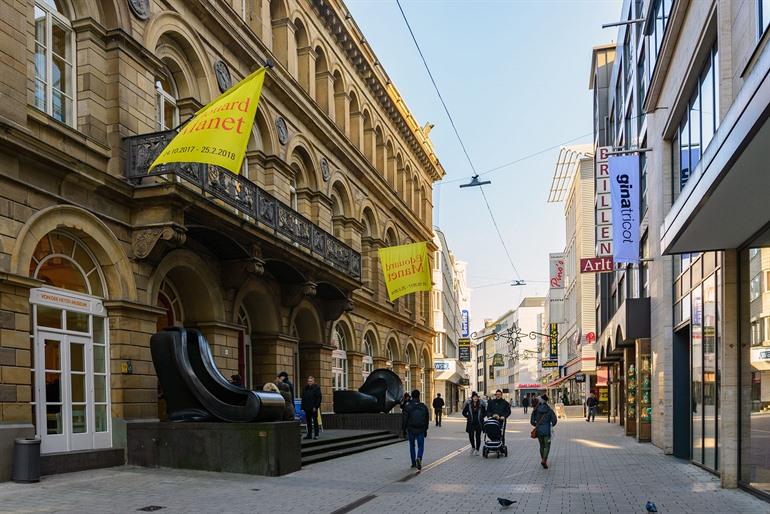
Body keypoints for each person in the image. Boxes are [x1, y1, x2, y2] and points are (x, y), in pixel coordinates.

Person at [403, 389, 429, 470]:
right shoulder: (423, 406)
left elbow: (405, 419)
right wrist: (425, 429)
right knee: (421, 446)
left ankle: (413, 463)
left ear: (412, 396)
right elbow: (426, 419)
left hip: (411, 429)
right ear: (419, 396)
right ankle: (419, 457)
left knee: (412, 445)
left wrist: (403, 429)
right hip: (421, 429)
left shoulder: (408, 406)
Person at [531, 394, 558, 469]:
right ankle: (544, 460)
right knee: (547, 446)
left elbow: (532, 421)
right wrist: (550, 425)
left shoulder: (536, 409)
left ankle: (543, 458)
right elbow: (554, 420)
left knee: (541, 445)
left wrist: (536, 425)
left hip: (539, 430)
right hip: (547, 430)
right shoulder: (549, 410)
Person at [301, 375, 322, 440]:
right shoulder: (305, 388)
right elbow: (303, 398)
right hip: (307, 408)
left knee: (315, 421)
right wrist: (302, 407)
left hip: (313, 408)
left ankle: (316, 435)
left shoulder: (317, 388)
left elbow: (319, 398)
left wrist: (316, 406)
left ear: (313, 381)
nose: (309, 382)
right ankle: (309, 435)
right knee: (308, 422)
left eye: (310, 381)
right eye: (308, 381)